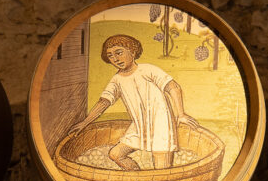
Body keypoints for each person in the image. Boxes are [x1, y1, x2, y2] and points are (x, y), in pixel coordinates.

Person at [69, 34, 198, 170]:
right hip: (138, 126)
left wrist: (181, 114)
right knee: (115, 154)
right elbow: (104, 102)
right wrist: (85, 122)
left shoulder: (148, 69)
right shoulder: (117, 79)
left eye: (119, 53)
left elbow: (173, 87)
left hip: (161, 124)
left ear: (133, 51)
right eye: (110, 56)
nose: (115, 59)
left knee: (162, 169)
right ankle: (137, 176)